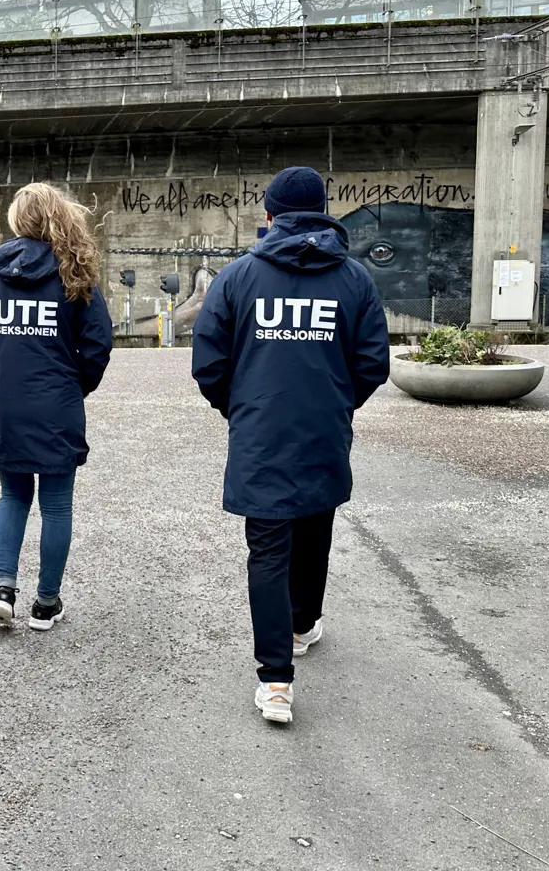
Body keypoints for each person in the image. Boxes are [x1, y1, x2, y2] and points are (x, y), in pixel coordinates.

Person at [191, 166, 389, 724]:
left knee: (269, 550)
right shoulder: (353, 279)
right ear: (323, 211)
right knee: (314, 530)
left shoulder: (237, 278)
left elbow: (208, 364)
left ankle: (276, 680)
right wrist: (334, 403)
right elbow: (373, 364)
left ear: (271, 215)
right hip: (324, 430)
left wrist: (241, 407)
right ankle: (303, 625)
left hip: (260, 435)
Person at [0, 183, 113, 631]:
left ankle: (4, 589)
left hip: (6, 404)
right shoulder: (74, 271)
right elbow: (99, 343)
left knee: (12, 495)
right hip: (58, 401)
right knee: (57, 506)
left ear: (16, 220)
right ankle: (46, 603)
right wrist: (75, 386)